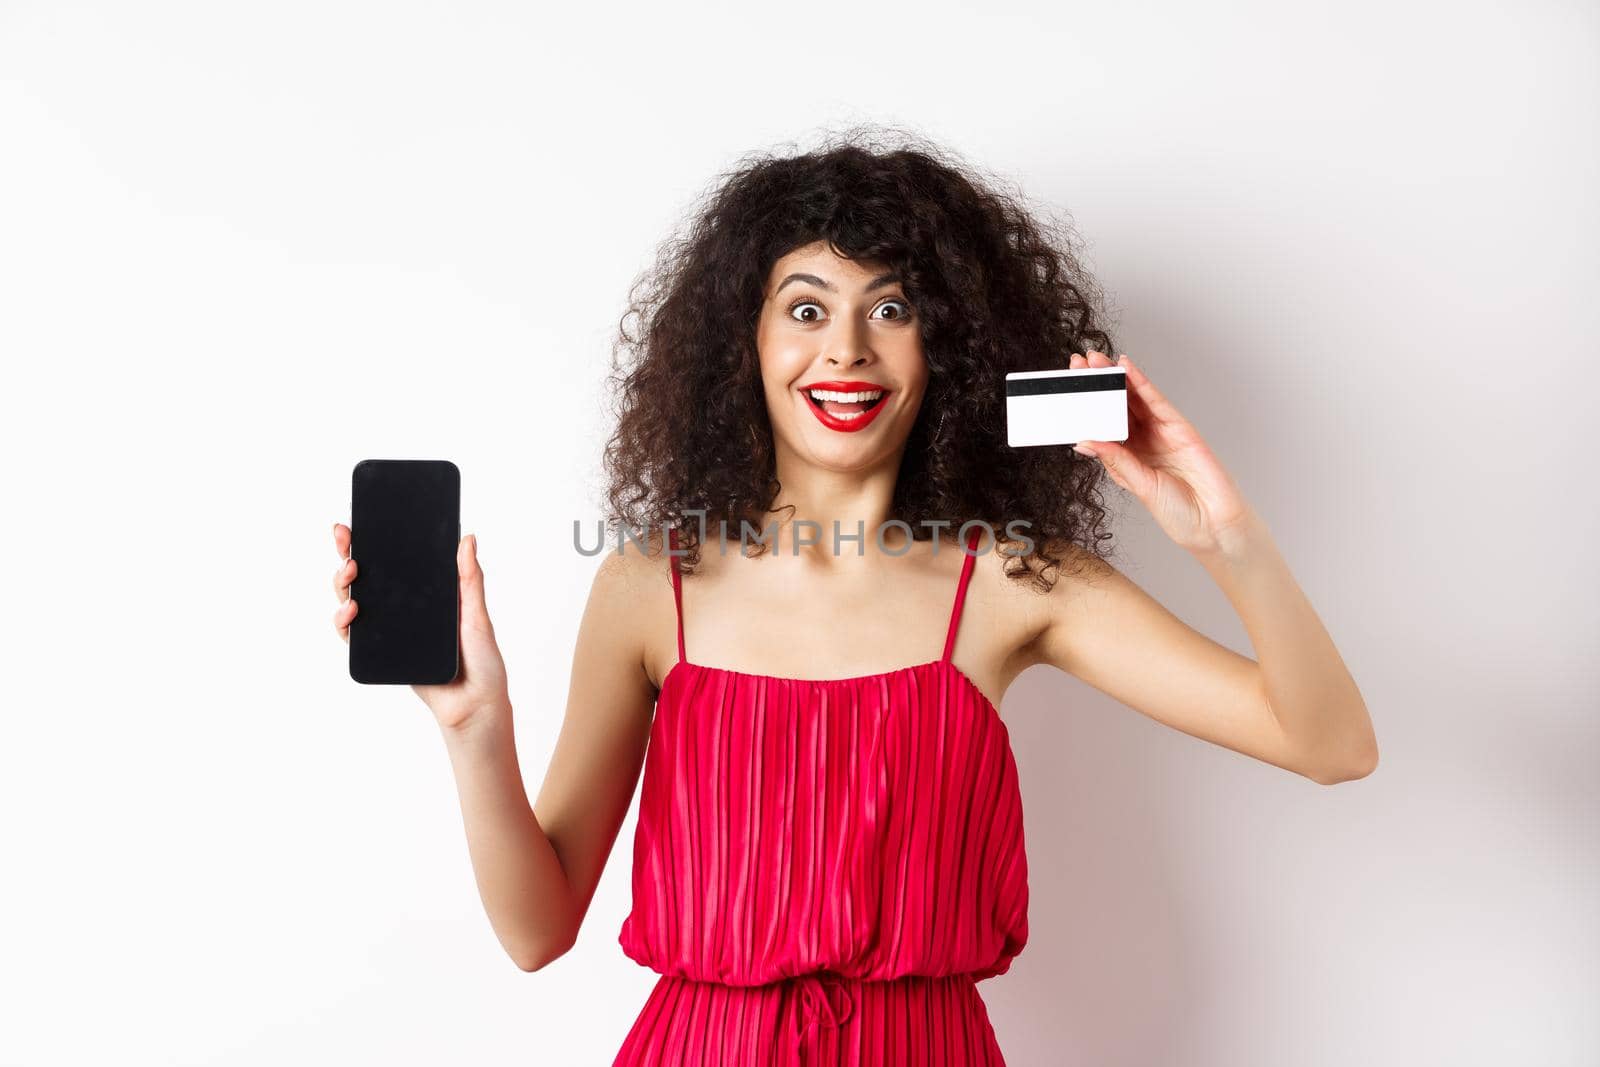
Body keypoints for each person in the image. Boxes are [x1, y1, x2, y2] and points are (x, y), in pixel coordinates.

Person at [328, 128, 1377, 1065]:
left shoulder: (1014, 578)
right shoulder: (654, 582)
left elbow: (1327, 742)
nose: (846, 349)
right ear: (743, 343)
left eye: (891, 307)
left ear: (947, 347)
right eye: (804, 308)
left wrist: (1222, 536)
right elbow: (535, 928)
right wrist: (474, 726)